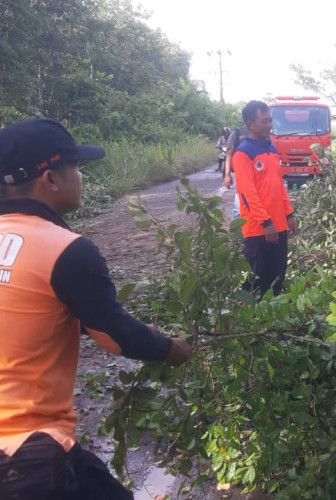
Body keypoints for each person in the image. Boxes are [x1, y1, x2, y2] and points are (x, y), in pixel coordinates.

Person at [0, 118, 192, 499]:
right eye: (75, 168)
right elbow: (116, 338)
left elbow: (33, 311)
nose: (81, 177)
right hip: (26, 453)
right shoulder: (65, 249)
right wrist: (171, 349)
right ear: (51, 179)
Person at [223, 101, 297, 296]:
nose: (269, 125)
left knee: (277, 274)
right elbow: (247, 194)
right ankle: (251, 317)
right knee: (256, 276)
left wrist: (289, 214)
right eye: (264, 121)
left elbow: (280, 186)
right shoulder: (243, 153)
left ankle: (274, 316)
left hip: (279, 225)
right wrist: (266, 222)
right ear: (250, 124)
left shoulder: (271, 150)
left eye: (270, 120)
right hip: (258, 229)